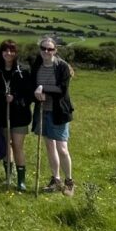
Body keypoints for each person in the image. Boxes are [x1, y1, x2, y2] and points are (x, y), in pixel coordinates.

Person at [32, 36, 76, 197]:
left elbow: (62, 89)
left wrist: (43, 88)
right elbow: (32, 85)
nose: (46, 51)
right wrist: (36, 94)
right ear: (40, 50)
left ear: (55, 50)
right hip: (43, 111)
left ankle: (69, 181)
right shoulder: (37, 64)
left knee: (62, 148)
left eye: (50, 49)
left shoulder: (62, 67)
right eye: (43, 48)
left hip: (59, 112)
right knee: (49, 146)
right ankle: (56, 180)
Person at [0, 39, 32, 192]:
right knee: (7, 146)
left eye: (12, 51)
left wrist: (15, 99)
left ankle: (21, 181)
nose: (9, 53)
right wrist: (3, 98)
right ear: (1, 53)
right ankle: (9, 175)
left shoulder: (24, 71)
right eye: (6, 50)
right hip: (2, 116)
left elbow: (29, 96)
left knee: (18, 146)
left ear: (16, 53)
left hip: (20, 116)